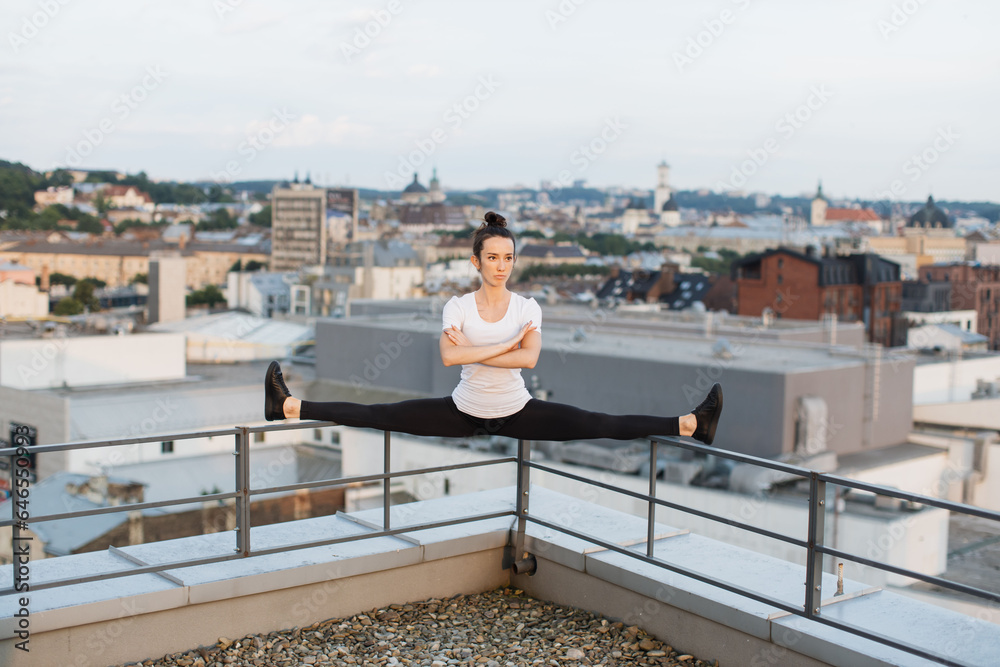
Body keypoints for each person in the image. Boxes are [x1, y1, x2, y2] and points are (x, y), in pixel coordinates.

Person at [264, 212, 723, 445]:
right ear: (476, 261)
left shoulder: (528, 306)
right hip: (461, 410)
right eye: (492, 258)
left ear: (513, 261)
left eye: (508, 258)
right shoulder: (457, 306)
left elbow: (529, 359)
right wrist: (504, 344)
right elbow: (449, 358)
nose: (500, 266)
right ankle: (287, 406)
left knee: (599, 423)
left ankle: (690, 424)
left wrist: (482, 348)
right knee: (378, 414)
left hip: (517, 410)